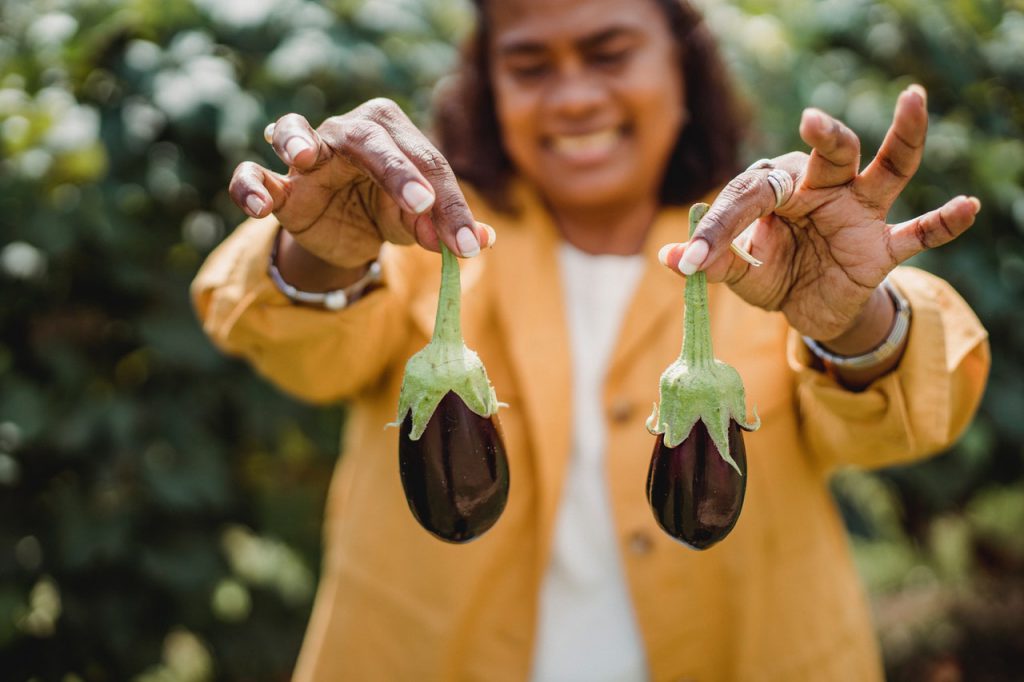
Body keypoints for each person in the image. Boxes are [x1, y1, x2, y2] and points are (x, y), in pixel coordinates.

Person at [192, 0, 990, 679]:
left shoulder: (769, 243)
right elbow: (288, 342)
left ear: (682, 66)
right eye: (530, 64)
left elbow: (921, 411)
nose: (573, 96)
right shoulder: (419, 233)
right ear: (488, 85)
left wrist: (854, 316)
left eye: (610, 53)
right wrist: (324, 253)